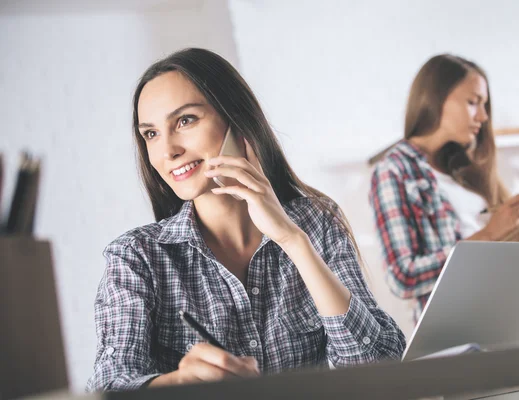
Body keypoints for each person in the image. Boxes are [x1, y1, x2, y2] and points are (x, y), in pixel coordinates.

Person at [87, 48, 405, 392]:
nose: (167, 151)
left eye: (185, 121)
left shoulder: (317, 222)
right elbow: (109, 384)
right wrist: (177, 384)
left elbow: (380, 368)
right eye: (151, 134)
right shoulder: (136, 257)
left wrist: (292, 240)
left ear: (235, 120)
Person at [368, 54, 519, 331]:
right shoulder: (394, 171)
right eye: (473, 102)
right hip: (466, 334)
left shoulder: (470, 169)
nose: (483, 117)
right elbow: (403, 277)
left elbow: (505, 265)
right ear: (435, 99)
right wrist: (488, 234)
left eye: (484, 105)